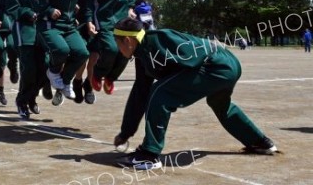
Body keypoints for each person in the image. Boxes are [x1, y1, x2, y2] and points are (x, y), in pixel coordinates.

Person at [112, 17, 278, 170]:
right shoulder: (142, 55)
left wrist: (175, 85)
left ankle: (149, 156)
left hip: (218, 64)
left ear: (128, 41)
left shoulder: (159, 39)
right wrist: (126, 132)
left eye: (117, 44)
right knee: (220, 105)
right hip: (226, 65)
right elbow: (140, 92)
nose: (118, 50)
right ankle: (260, 142)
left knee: (160, 92)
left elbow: (196, 52)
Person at [83, 0, 136, 98]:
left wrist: (131, 8)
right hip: (104, 19)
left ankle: (110, 79)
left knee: (127, 51)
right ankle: (97, 75)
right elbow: (89, 0)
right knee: (112, 49)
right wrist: (89, 20)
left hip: (123, 19)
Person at [33, 0, 89, 106]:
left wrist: (74, 10)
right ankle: (52, 71)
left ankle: (65, 81)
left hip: (69, 26)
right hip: (50, 25)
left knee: (82, 53)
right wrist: (48, 10)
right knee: (62, 50)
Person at [7, 0, 44, 119]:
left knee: (45, 68)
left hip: (42, 32)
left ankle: (31, 98)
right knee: (29, 69)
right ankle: (22, 101)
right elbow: (13, 8)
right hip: (24, 33)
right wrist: (28, 12)